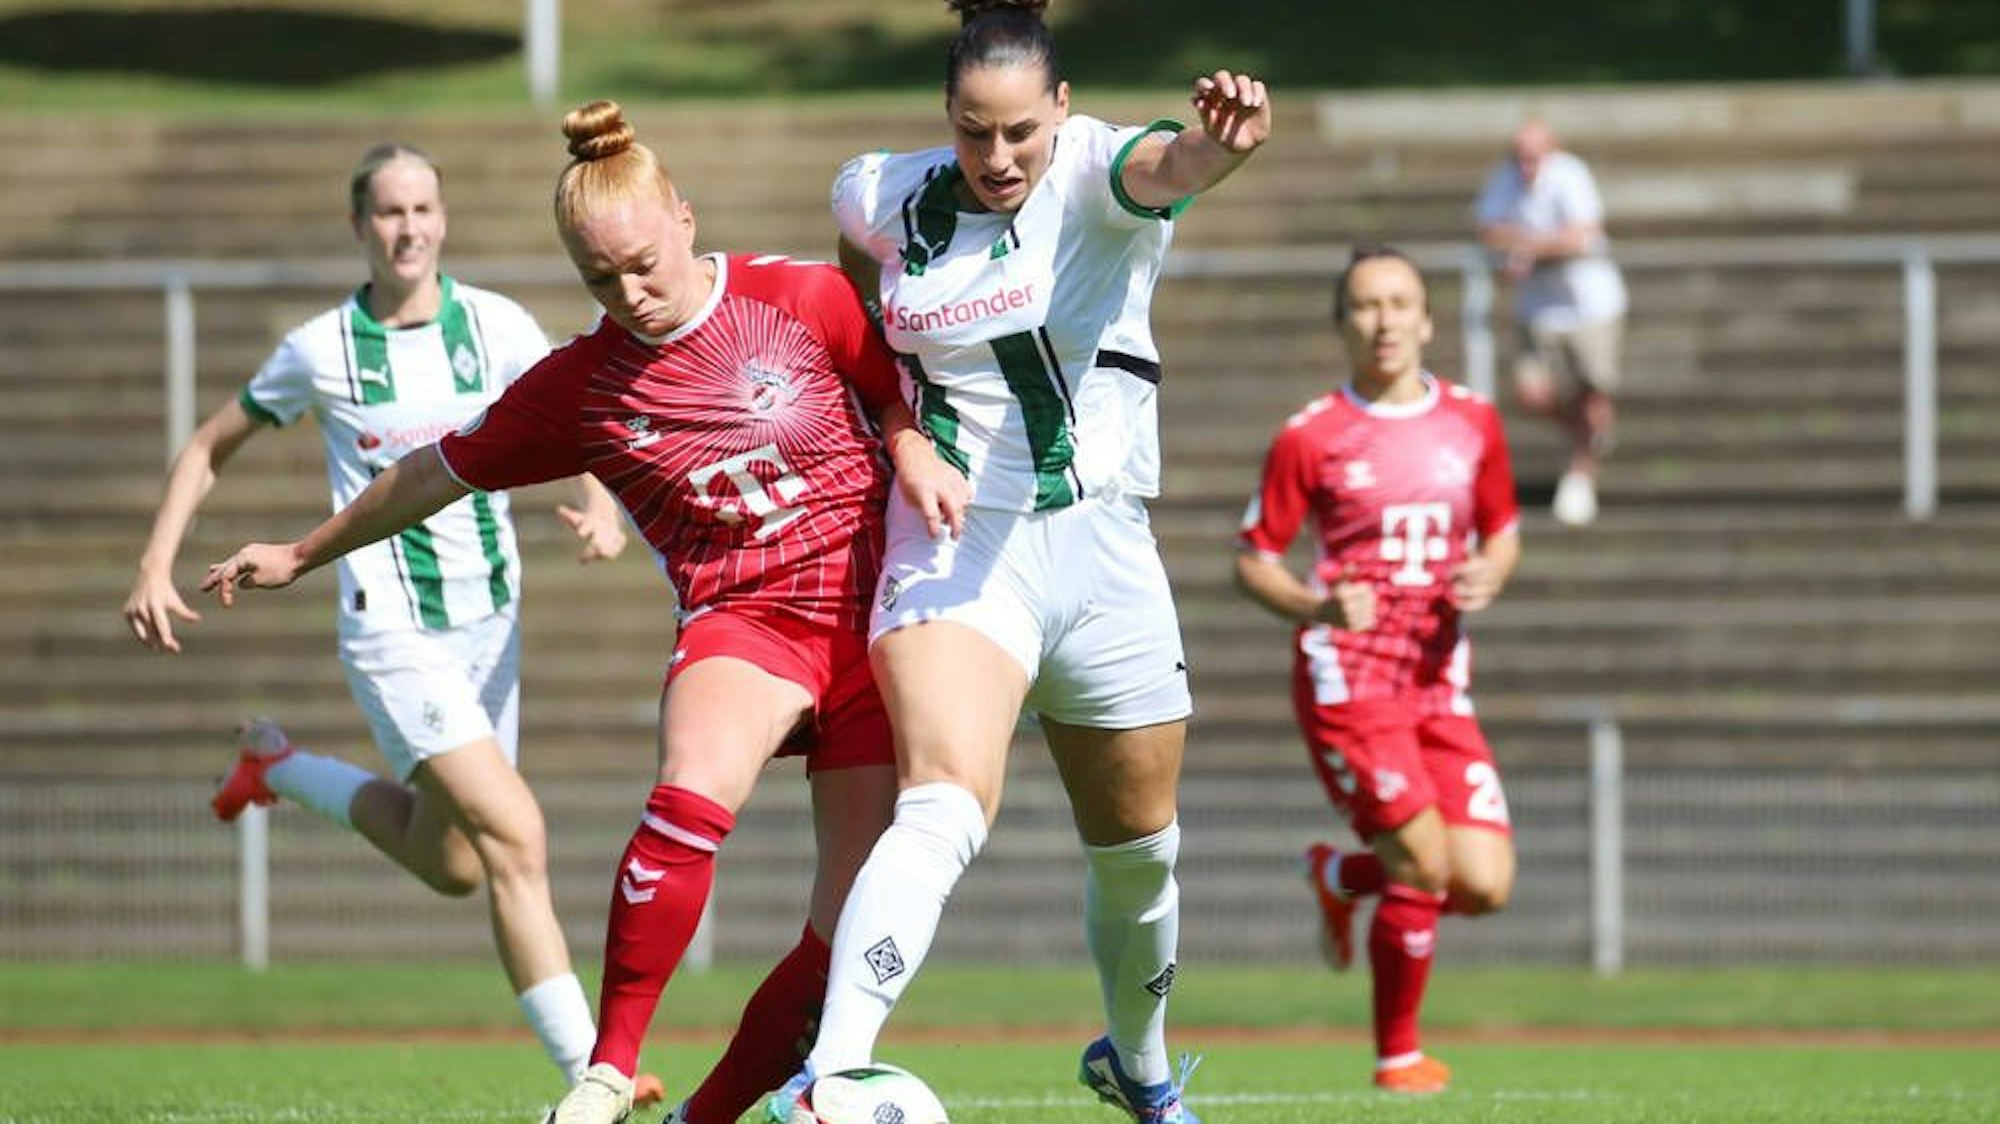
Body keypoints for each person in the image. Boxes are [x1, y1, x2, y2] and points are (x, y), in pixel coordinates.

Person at [199, 100, 968, 1124]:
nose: (629, 293)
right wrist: (300, 549)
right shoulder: (582, 384)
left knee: (844, 924)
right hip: (749, 619)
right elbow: (435, 471)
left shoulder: (799, 294)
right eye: (598, 279)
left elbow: (889, 391)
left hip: (878, 625)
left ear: (684, 218)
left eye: (642, 263)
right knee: (687, 794)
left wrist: (910, 446)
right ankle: (607, 1068)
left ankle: (702, 1117)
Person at [770, 4, 1271, 1123]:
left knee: (1141, 851)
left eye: (1018, 133)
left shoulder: (1097, 168)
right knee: (941, 800)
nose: (996, 158)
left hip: (1102, 547)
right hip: (957, 545)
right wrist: (900, 426)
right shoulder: (881, 189)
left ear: (1059, 107)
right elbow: (853, 279)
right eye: (970, 131)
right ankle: (827, 1078)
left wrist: (1219, 146)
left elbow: (1168, 162)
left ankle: (1137, 1065)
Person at [121, 141, 646, 1097]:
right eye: (390, 212)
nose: (409, 228)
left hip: (491, 625)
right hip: (390, 630)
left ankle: (276, 765)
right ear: (360, 226)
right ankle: (594, 1077)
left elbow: (581, 413)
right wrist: (155, 562)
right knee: (518, 839)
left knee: (452, 863)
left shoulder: (495, 325)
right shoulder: (321, 350)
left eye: (423, 210)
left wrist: (603, 506)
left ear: (443, 220)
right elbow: (209, 446)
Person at [1233, 245, 1521, 1094]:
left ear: (1429, 320)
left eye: (1400, 303)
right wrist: (1316, 606)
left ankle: (1340, 874)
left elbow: (1502, 528)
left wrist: (1495, 571)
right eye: (1365, 305)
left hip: (1438, 683)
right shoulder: (1313, 435)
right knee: (1425, 867)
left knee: (1484, 884)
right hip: (1348, 680)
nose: (1385, 319)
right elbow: (1253, 560)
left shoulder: (1474, 422)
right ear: (1342, 324)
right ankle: (1398, 1058)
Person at [1474, 117, 1627, 527]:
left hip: (1589, 306)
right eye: (1520, 156)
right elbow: (1487, 229)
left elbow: (1583, 233)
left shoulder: (1571, 174)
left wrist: (1527, 247)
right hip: (1537, 309)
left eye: (1535, 156)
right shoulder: (1504, 179)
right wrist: (1538, 244)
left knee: (1594, 392)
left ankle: (1581, 475)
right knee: (1532, 394)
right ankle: (1588, 434)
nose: (1527, 165)